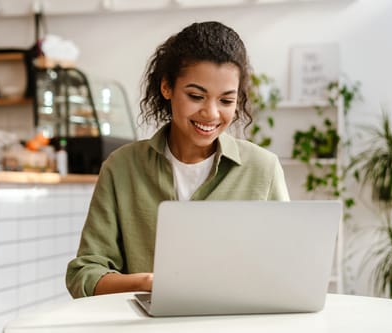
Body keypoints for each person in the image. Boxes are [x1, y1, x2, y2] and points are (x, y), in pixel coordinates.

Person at [66, 21, 289, 298]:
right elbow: (84, 274)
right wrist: (148, 282)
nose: (211, 113)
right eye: (196, 96)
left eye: (226, 101)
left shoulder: (263, 169)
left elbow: (285, 271)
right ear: (167, 87)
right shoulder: (122, 167)